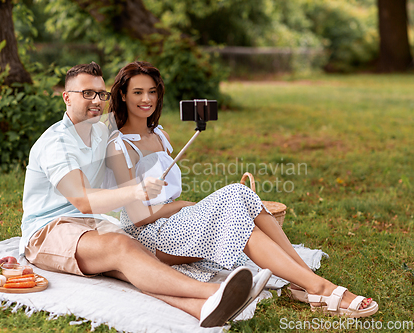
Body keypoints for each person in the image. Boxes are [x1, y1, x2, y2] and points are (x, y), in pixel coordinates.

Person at [105, 61, 379, 318]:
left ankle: (305, 280)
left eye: (152, 91)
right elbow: (139, 216)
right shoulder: (119, 147)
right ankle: (316, 287)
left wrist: (184, 208)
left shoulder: (160, 135)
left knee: (239, 196)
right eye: (138, 92)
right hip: (149, 237)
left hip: (175, 223)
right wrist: (183, 205)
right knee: (234, 195)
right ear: (124, 96)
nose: (146, 99)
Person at [19, 61, 266, 328]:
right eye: (86, 93)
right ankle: (216, 293)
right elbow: (82, 201)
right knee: (121, 247)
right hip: (48, 231)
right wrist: (135, 191)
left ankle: (201, 308)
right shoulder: (56, 144)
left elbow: (134, 128)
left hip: (89, 226)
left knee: (136, 261)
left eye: (101, 94)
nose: (96, 101)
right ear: (67, 97)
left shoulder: (100, 131)